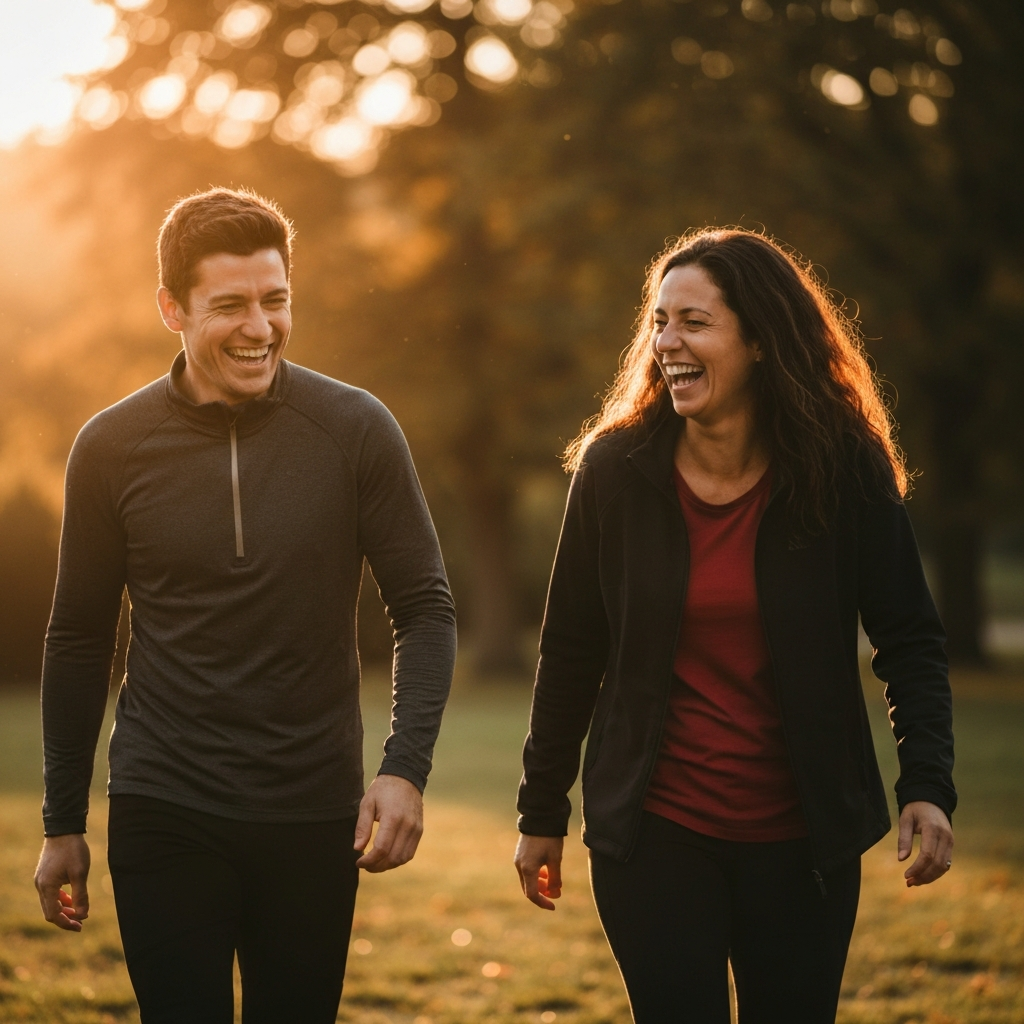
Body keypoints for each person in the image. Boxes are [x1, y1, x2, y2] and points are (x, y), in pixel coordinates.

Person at [33, 187, 457, 1024]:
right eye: (230, 305)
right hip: (164, 803)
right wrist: (61, 821)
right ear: (171, 308)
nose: (259, 328)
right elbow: (78, 638)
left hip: (313, 810)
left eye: (276, 300)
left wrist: (404, 768)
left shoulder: (356, 428)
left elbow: (426, 607)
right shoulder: (111, 448)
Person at [514, 228, 955, 1023]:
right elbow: (571, 651)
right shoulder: (614, 473)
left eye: (694, 322)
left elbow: (909, 639)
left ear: (759, 339)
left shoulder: (843, 466)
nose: (666, 343)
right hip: (655, 836)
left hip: (801, 841)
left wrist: (927, 783)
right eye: (658, 322)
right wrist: (541, 812)